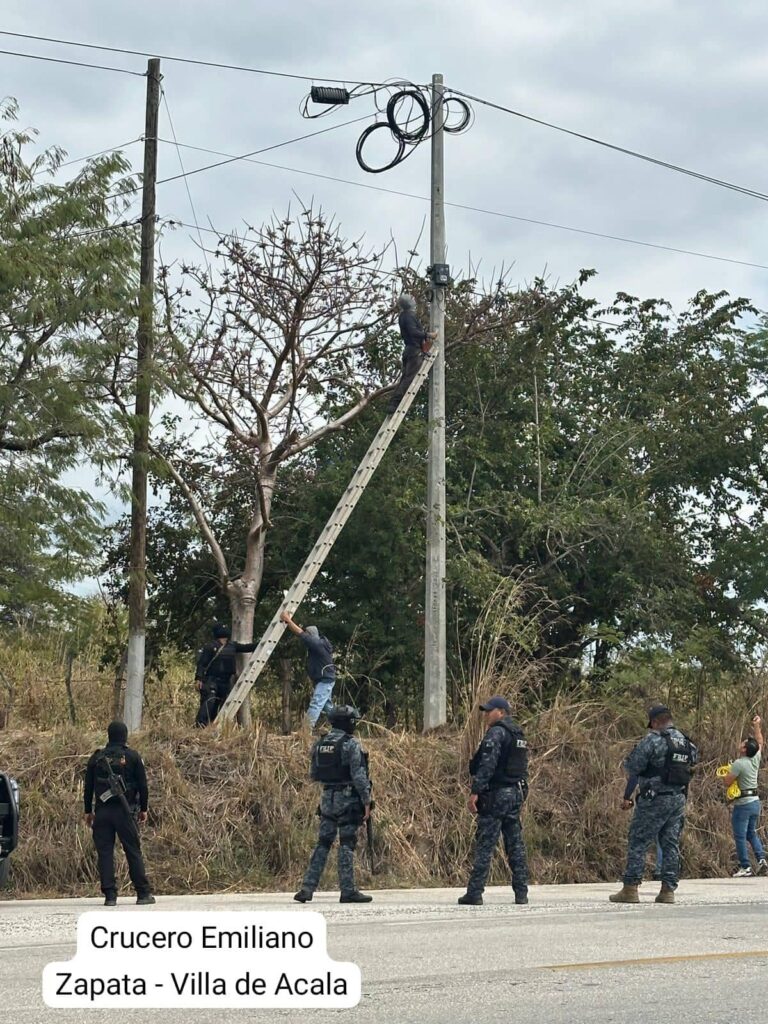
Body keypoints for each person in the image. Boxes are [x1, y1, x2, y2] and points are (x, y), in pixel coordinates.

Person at [610, 704, 697, 905]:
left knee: (638, 840)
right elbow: (691, 766)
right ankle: (668, 890)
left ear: (656, 722)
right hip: (677, 799)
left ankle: (630, 888)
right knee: (670, 843)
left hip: (654, 798)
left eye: (651, 724)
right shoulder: (687, 742)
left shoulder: (653, 740)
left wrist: (629, 793)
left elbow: (633, 766)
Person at [294, 705, 372, 904]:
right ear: (348, 722)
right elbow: (359, 776)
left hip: (326, 797)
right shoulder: (350, 744)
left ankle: (307, 888)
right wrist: (367, 801)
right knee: (347, 842)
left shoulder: (320, 743)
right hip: (347, 798)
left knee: (323, 843)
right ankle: (348, 890)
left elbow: (313, 773)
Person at [457, 695, 529, 906]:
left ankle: (474, 892)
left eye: (490, 711)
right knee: (515, 844)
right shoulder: (518, 734)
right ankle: (521, 893)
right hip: (515, 793)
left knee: (485, 844)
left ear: (501, 712)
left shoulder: (497, 732)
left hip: (497, 794)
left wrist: (475, 792)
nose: (487, 715)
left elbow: (487, 765)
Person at [83, 721, 155, 907]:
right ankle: (143, 893)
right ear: (125, 736)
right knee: (132, 850)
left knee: (105, 852)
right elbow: (143, 786)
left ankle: (110, 896)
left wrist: (88, 811)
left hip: (102, 812)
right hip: (125, 811)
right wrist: (144, 809)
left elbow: (88, 787)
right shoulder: (132, 756)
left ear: (108, 736)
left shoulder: (97, 758)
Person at [720, 715, 767, 877]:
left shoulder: (739, 764)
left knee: (740, 836)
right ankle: (761, 859)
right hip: (755, 803)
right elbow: (760, 742)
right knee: (751, 833)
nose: (740, 744)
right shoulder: (755, 758)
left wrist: (727, 771)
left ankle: (745, 866)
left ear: (744, 749)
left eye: (743, 744)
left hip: (743, 804)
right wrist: (757, 726)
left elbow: (727, 782)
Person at [280, 611, 336, 729]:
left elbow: (300, 634)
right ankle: (342, 727)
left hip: (325, 680)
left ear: (311, 635)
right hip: (323, 679)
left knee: (316, 703)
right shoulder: (318, 645)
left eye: (307, 635)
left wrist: (288, 621)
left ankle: (305, 731)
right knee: (327, 707)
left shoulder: (317, 644)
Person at [194, 624, 258, 726]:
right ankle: (200, 724)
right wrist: (198, 679)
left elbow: (246, 648)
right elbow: (202, 663)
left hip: (225, 681)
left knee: (218, 704)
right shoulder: (210, 646)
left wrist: (260, 644)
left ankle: (210, 726)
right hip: (211, 680)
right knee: (209, 701)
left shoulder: (232, 646)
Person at [385, 294, 436, 414]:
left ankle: (393, 403)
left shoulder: (403, 316)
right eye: (412, 299)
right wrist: (428, 335)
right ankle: (395, 403)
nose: (414, 301)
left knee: (404, 378)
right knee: (409, 379)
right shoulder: (409, 316)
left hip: (409, 350)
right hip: (414, 351)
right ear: (409, 303)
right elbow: (413, 332)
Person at [622, 773, 664, 880]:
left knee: (638, 837)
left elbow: (634, 776)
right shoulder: (667, 756)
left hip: (648, 801)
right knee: (662, 837)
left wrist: (627, 796)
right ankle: (662, 870)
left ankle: (633, 874)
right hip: (668, 800)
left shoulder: (644, 756)